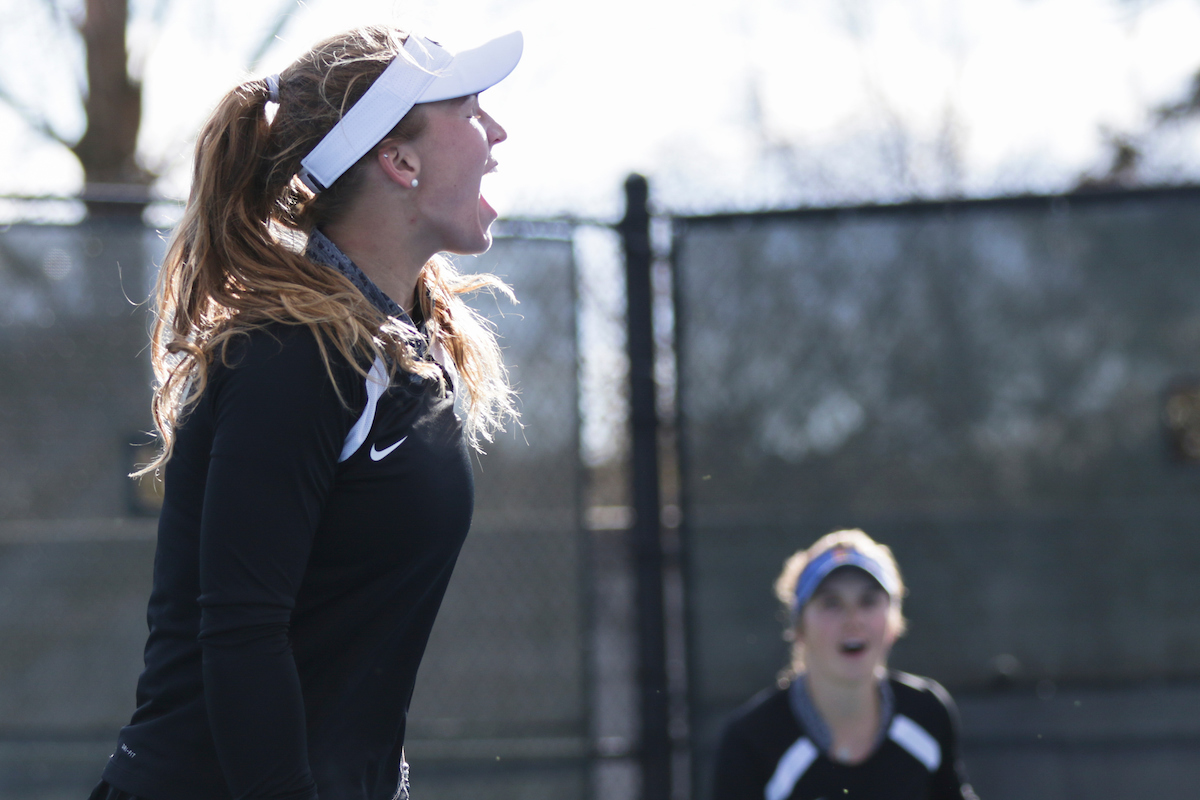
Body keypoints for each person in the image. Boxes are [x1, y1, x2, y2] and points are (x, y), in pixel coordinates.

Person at [88, 24, 524, 800]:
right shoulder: (291, 355)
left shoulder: (403, 347)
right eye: (468, 109)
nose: (496, 132)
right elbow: (243, 637)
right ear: (400, 160)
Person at [713, 529, 979, 800]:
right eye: (831, 603)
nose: (853, 619)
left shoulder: (928, 712)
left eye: (868, 601)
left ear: (894, 623)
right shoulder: (750, 742)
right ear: (799, 627)